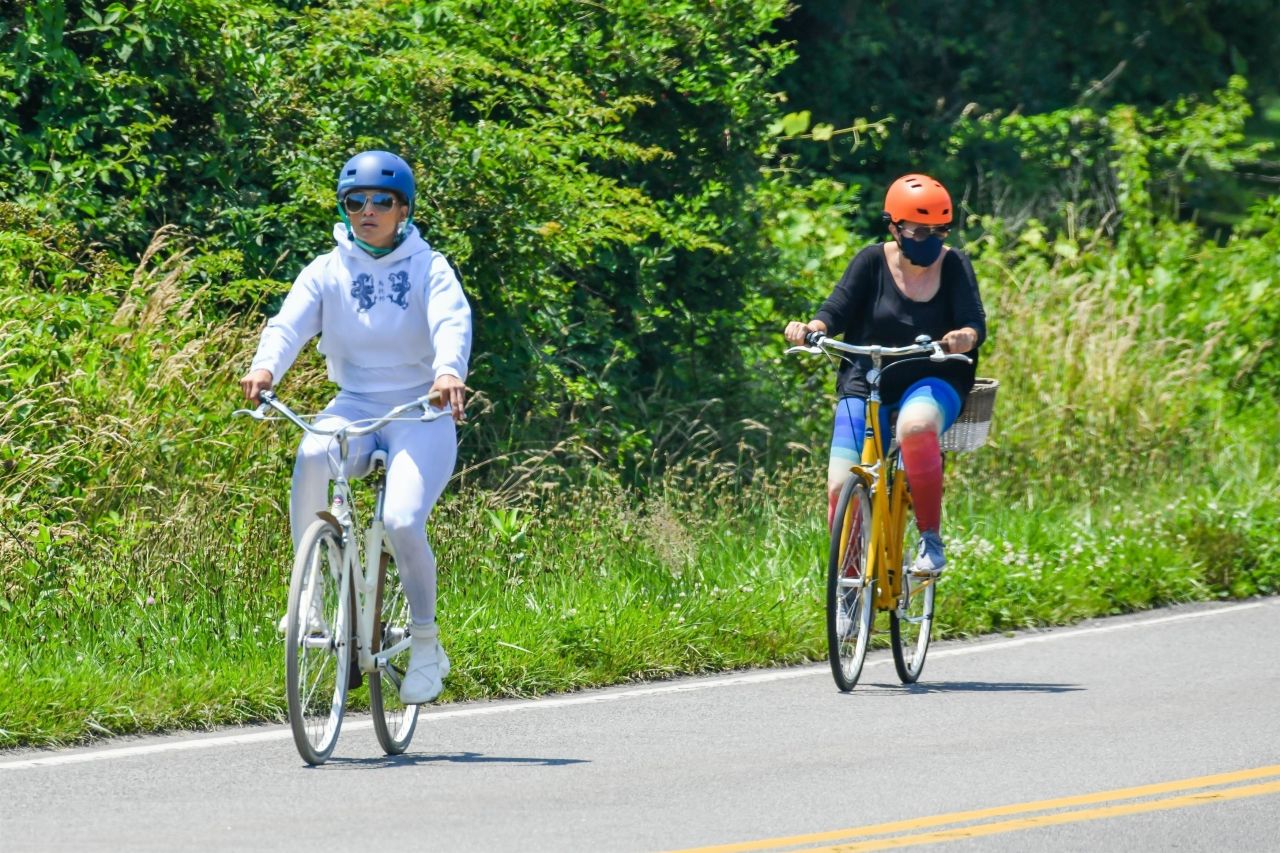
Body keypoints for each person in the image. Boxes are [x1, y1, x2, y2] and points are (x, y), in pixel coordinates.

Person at [239, 150, 471, 704]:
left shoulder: (429, 267)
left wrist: (447, 372)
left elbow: (451, 321)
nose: (367, 210)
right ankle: (310, 602)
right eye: (355, 201)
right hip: (355, 401)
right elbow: (289, 322)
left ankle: (425, 643)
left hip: (421, 409)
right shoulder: (328, 269)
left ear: (404, 210)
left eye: (381, 201)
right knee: (312, 453)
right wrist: (265, 366)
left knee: (402, 518)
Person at [784, 173, 986, 577]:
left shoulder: (955, 264)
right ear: (894, 227)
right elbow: (835, 310)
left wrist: (959, 339)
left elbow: (973, 324)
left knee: (914, 427)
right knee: (841, 486)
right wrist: (812, 330)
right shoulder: (870, 261)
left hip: (934, 376)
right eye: (919, 229)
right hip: (865, 378)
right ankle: (847, 583)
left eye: (939, 229)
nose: (930, 238)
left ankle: (930, 541)